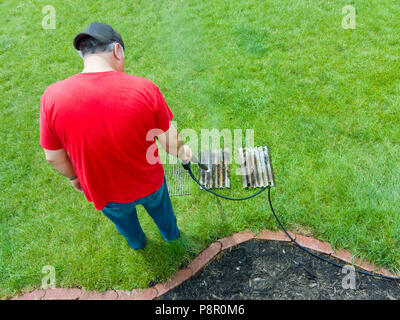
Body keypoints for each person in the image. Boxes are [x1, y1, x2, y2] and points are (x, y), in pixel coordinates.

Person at [39, 22, 192, 250]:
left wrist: (73, 177)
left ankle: (137, 244)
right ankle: (172, 237)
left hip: (104, 191)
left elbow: (52, 156)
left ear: (82, 54)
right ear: (117, 50)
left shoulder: (51, 97)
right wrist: (183, 152)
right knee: (162, 211)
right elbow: (170, 142)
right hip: (149, 184)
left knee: (124, 223)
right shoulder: (144, 89)